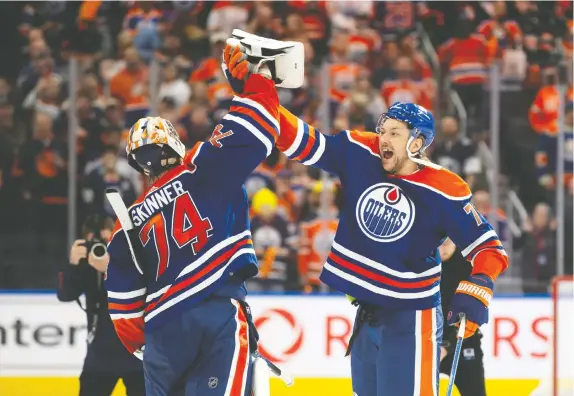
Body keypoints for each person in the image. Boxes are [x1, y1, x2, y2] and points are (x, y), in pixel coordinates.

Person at [230, 50, 509, 394]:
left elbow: (489, 247)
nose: (383, 139)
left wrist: (479, 284)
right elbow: (300, 140)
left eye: (394, 133)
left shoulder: (445, 188)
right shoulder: (361, 151)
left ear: (418, 143)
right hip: (368, 314)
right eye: (382, 130)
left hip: (412, 318)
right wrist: (258, 96)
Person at [104, 43, 281, 396]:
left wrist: (151, 344)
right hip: (216, 312)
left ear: (138, 165)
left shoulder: (127, 226)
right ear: (174, 145)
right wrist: (254, 87)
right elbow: (258, 132)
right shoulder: (201, 166)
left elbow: (123, 306)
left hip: (162, 329)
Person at [57, 215, 144, 396]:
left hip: (138, 356)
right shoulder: (87, 265)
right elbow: (65, 295)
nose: (101, 248)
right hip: (99, 357)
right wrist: (73, 264)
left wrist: (111, 269)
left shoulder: (136, 260)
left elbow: (144, 289)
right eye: (95, 243)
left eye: (107, 241)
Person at [438, 238, 487, 396]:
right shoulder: (422, 263)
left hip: (464, 342)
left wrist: (447, 345)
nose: (443, 248)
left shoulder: (468, 266)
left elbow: (471, 313)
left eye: (447, 243)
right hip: (428, 345)